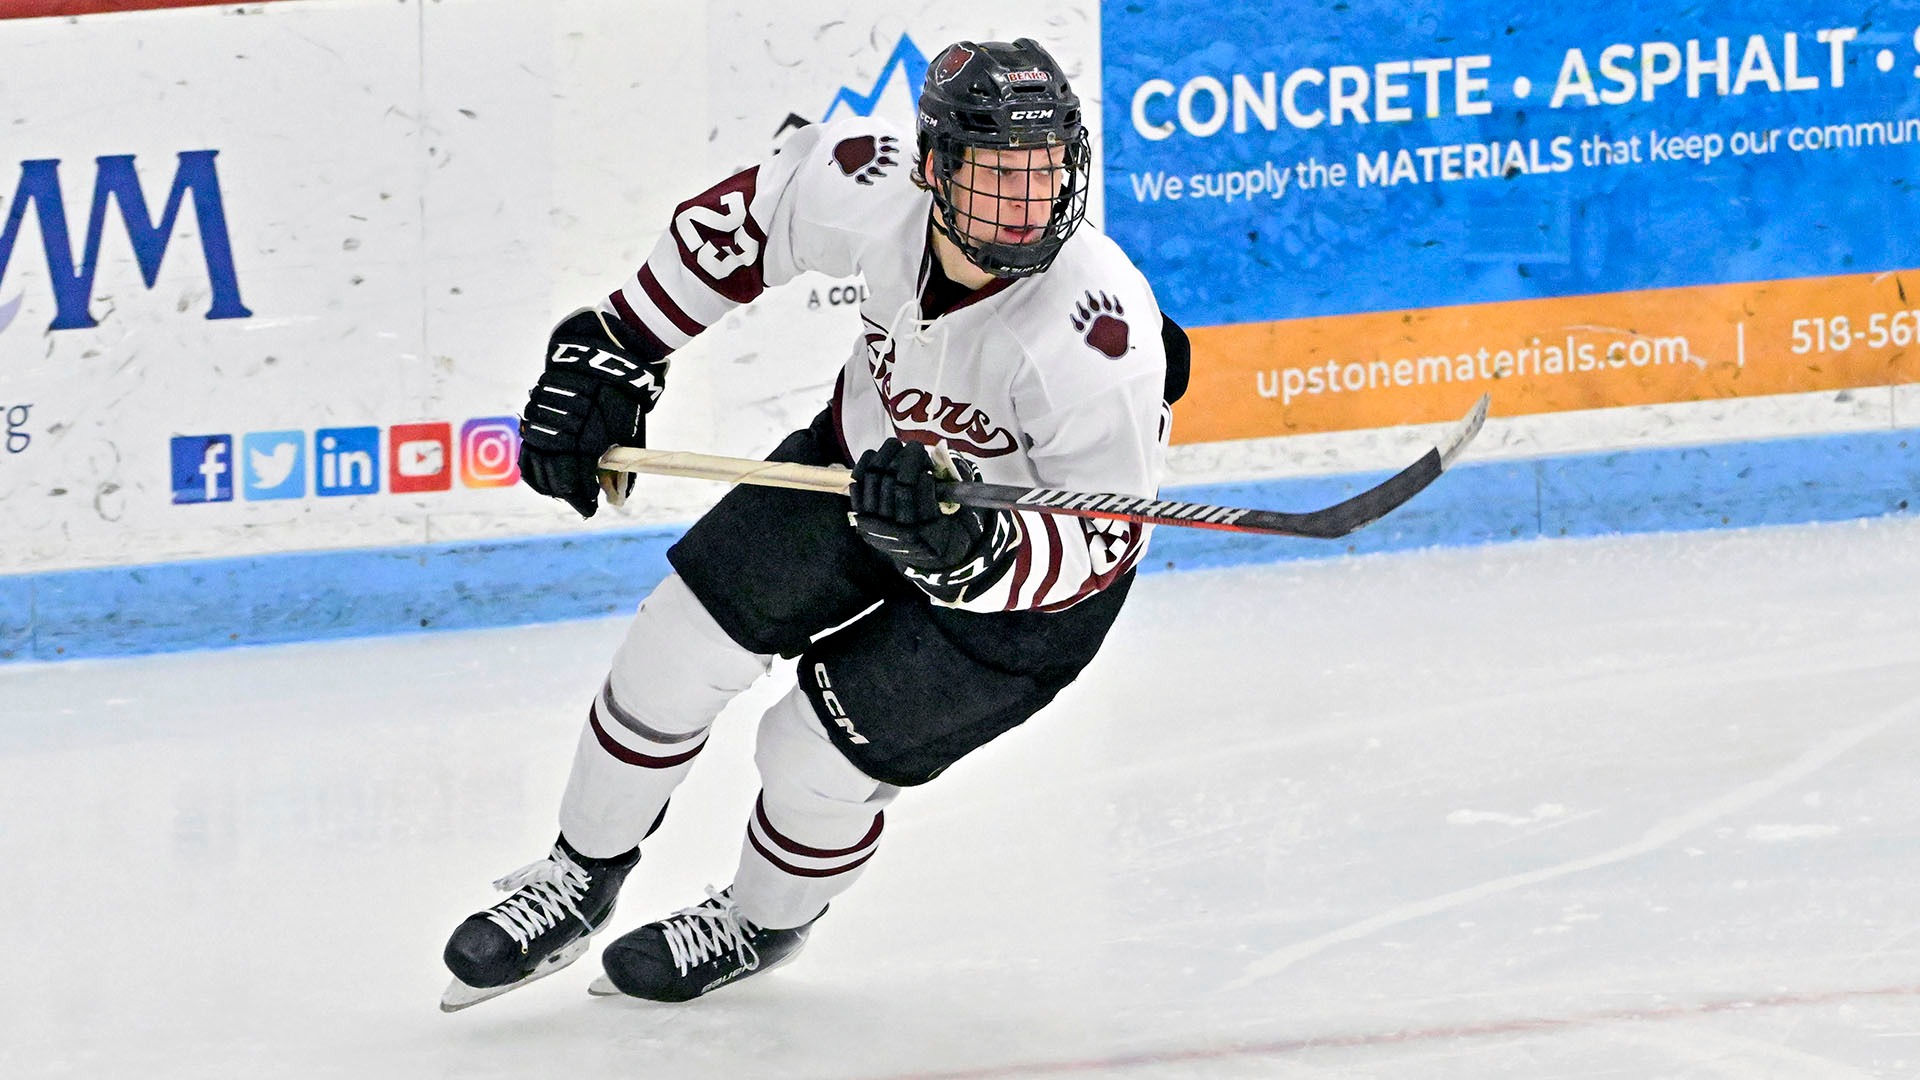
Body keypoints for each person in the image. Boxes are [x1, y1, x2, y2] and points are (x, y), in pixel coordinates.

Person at [439, 36, 1189, 1011]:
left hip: (1025, 596)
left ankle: (758, 922)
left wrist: (977, 553)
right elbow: (748, 220)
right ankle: (580, 876)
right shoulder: (867, 187)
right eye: (1000, 174)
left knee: (808, 754)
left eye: (1044, 174)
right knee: (674, 647)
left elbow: (1104, 537)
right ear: (933, 167)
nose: (1028, 202)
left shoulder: (1099, 331)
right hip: (856, 468)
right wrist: (622, 343)